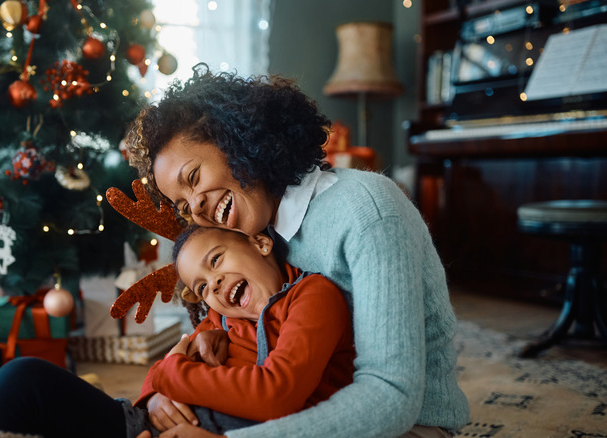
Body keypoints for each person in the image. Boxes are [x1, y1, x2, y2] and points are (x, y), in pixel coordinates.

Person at [123, 63, 469, 438]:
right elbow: (207, 334)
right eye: (185, 206)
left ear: (232, 138)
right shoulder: (257, 231)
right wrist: (156, 396)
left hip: (405, 426)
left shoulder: (366, 210)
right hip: (298, 413)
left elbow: (391, 397)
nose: (197, 208)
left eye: (193, 178)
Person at [0, 224, 355, 437]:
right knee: (17, 380)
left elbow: (276, 395)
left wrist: (172, 373)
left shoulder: (311, 295)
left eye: (217, 260)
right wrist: (154, 396)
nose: (215, 285)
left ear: (260, 242)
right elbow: (157, 377)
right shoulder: (223, 320)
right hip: (145, 426)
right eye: (203, 287)